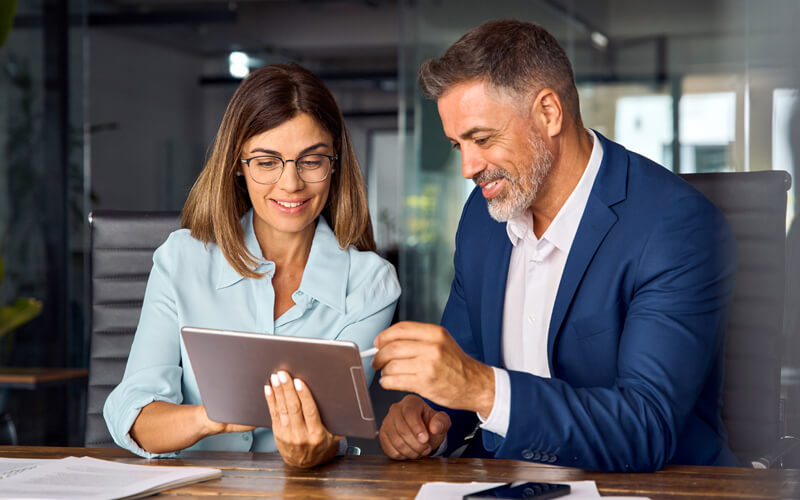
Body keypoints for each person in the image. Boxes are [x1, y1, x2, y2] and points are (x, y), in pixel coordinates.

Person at [372, 19, 738, 472]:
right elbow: (465, 369)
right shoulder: (483, 219)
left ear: (549, 112)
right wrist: (428, 416)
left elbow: (647, 427)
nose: (468, 167)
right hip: (501, 481)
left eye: (482, 139)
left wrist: (483, 390)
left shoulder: (675, 228)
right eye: (456, 145)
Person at [104, 64, 401, 468]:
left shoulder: (371, 284)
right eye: (266, 162)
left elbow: (334, 427)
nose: (291, 183)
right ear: (238, 166)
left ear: (335, 163)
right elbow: (134, 414)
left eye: (311, 161)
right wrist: (214, 416)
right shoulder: (181, 260)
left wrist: (314, 449)